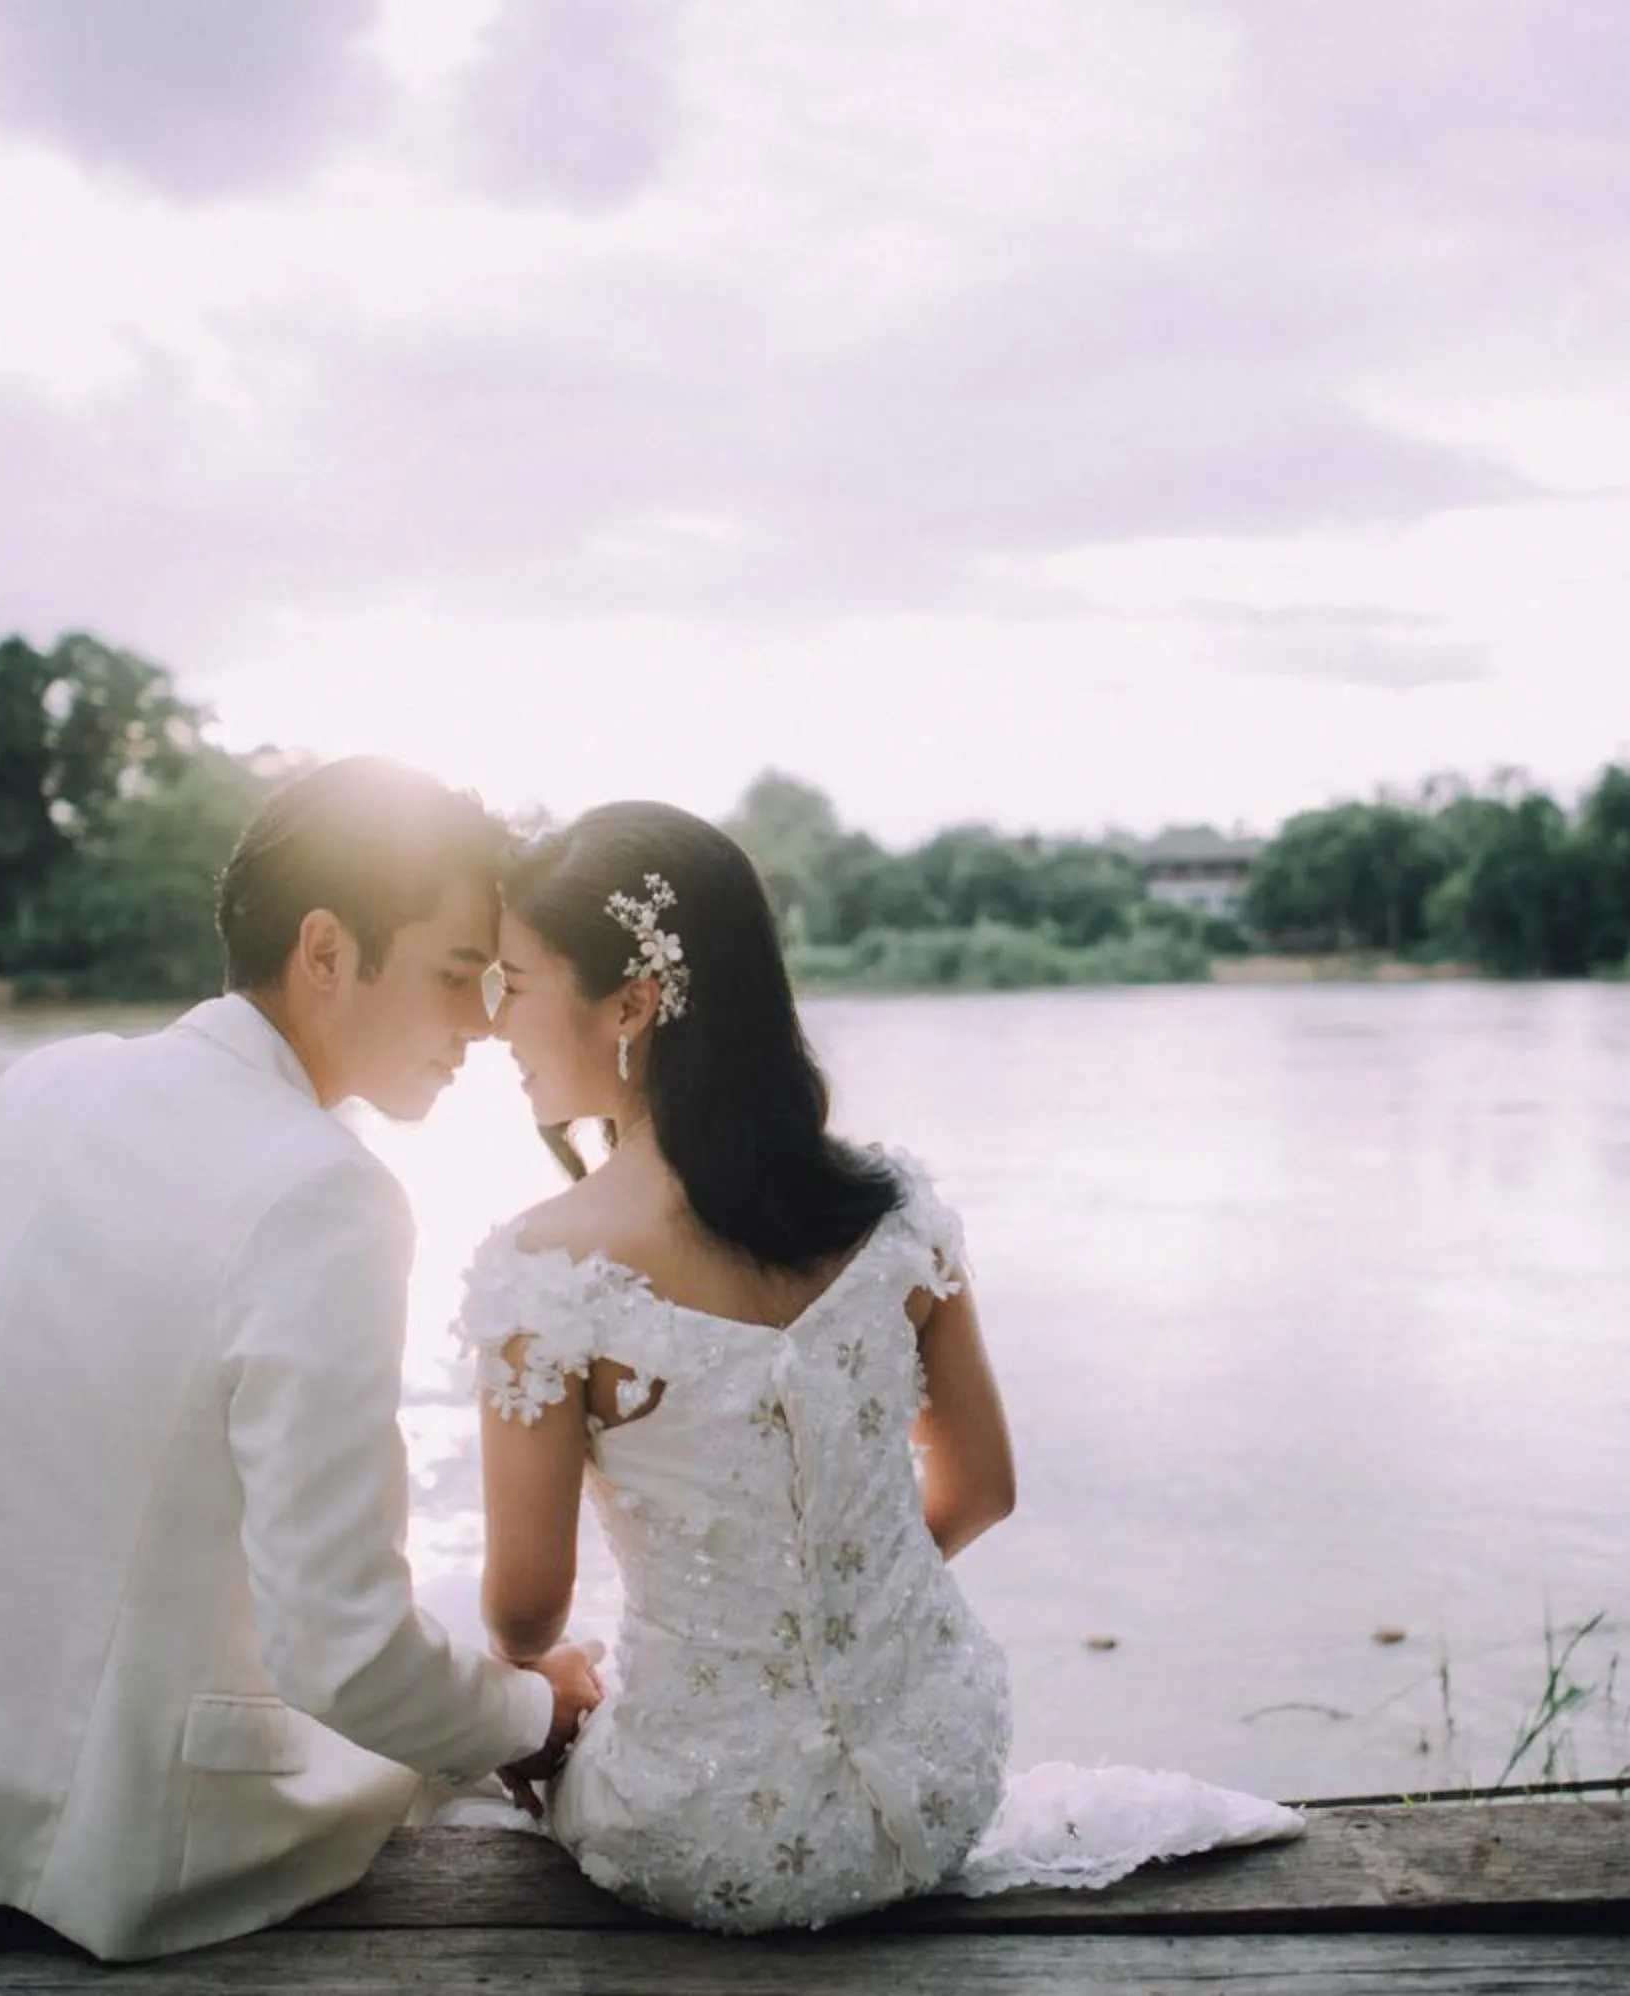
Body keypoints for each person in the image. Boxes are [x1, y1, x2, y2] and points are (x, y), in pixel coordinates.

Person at [454, 802, 1302, 1933]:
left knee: (445, 1759)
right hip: (934, 1786)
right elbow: (984, 1489)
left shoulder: (546, 1271)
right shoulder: (895, 1214)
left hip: (703, 1833)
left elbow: (524, 1613)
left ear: (634, 1002)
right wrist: (835, 1614)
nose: (495, 1019)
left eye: (514, 979)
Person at [0, 757, 600, 1962]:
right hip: (113, 1849)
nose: (486, 1024)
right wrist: (539, 1712)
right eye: (457, 975)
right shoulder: (326, 1193)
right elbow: (341, 1647)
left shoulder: (39, 1084)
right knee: (473, 1736)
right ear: (325, 952)